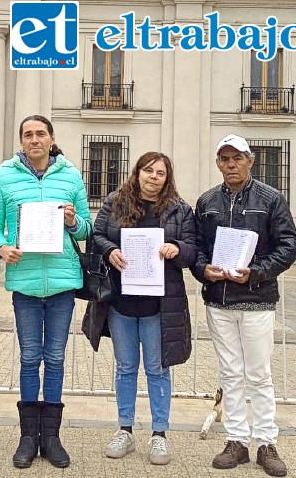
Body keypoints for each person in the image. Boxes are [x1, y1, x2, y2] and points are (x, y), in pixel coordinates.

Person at [0, 115, 91, 469]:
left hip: (62, 284)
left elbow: (86, 227)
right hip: (25, 281)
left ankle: (53, 437)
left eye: (40, 133)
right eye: (28, 134)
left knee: (56, 358)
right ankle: (28, 437)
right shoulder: (4, 177)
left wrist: (74, 222)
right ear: (21, 141)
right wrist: (0, 248)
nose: (34, 139)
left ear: (51, 138)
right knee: (30, 358)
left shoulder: (71, 176)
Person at [191, 134, 296, 477]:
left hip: (256, 299)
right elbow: (196, 247)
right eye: (224, 159)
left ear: (250, 161)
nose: (231, 164)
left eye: (237, 158)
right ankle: (237, 440)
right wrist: (201, 269)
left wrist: (256, 273)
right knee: (230, 373)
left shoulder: (271, 199)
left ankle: (267, 441)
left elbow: (289, 244)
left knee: (259, 374)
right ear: (218, 163)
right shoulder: (207, 201)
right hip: (219, 301)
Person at [89, 151, 198, 466]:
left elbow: (192, 251)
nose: (153, 176)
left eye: (160, 173)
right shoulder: (114, 202)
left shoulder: (180, 210)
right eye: (148, 170)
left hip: (159, 307)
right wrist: (110, 251)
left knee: (157, 369)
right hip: (121, 302)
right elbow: (96, 237)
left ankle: (159, 434)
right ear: (136, 173)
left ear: (167, 179)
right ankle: (125, 429)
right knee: (125, 369)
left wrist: (177, 248)